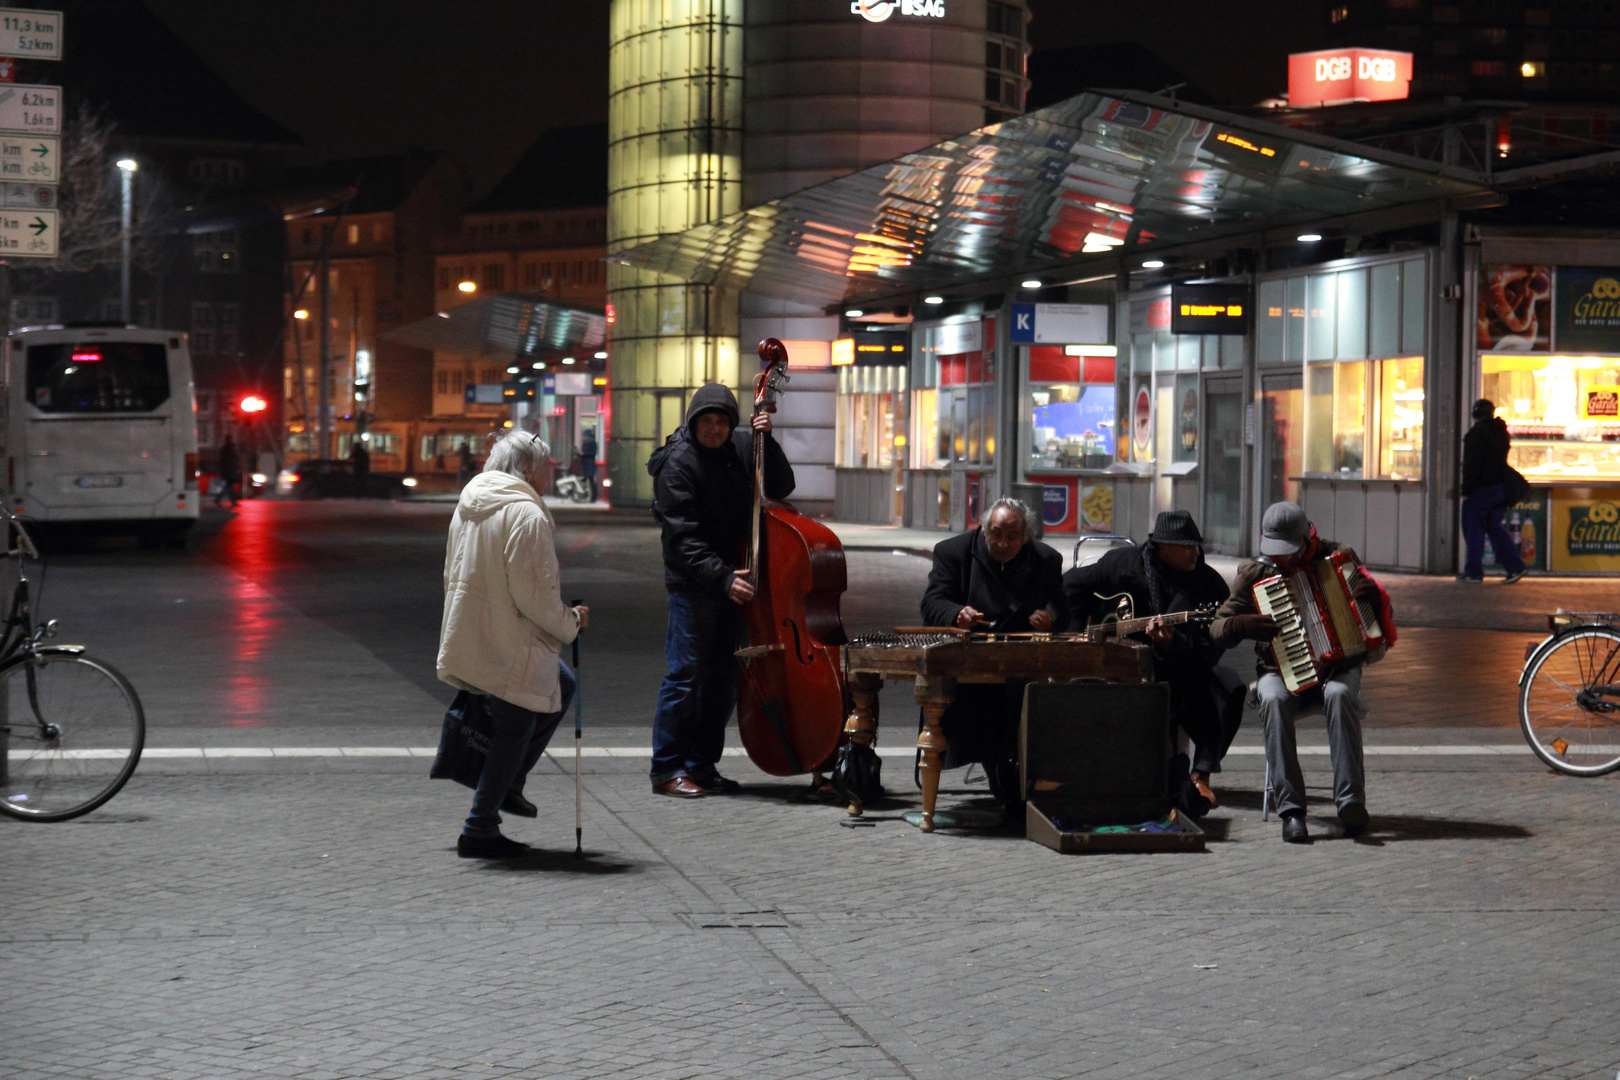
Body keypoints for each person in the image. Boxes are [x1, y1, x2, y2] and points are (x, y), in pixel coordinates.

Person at [437, 430, 589, 858]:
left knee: (559, 686)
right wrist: (572, 623)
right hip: (508, 638)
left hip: (474, 630)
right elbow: (535, 596)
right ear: (526, 469)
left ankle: (509, 786)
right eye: (545, 468)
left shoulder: (471, 504)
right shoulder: (526, 514)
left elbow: (452, 572)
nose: (549, 475)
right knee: (515, 727)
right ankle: (480, 827)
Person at [647, 382, 793, 798]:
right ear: (694, 422)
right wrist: (724, 578)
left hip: (735, 582)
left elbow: (781, 486)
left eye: (722, 421)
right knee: (684, 677)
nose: (714, 429)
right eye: (707, 421)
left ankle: (701, 764)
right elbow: (682, 540)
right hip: (696, 586)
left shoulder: (743, 445)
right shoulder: (678, 463)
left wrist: (767, 438)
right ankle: (666, 769)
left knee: (723, 679)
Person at [1211, 502, 1388, 844]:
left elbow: (1370, 631)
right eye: (1276, 553)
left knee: (1339, 695)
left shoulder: (1341, 559)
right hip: (1279, 669)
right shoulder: (1254, 575)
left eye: (1289, 553)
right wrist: (1239, 624)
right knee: (1273, 699)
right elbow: (1216, 627)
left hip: (1338, 668)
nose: (1282, 561)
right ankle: (1291, 811)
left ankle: (1351, 803)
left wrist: (1370, 609)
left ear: (1307, 539)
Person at [1062, 510, 1237, 815]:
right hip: (1119, 670)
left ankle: (1200, 775)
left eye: (1195, 545)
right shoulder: (1125, 565)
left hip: (1180, 668)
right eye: (1185, 546)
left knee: (1225, 690)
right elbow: (1072, 584)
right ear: (1162, 546)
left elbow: (1209, 650)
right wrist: (1080, 629)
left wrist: (1172, 644)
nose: (1194, 552)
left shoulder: (1209, 586)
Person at [919, 496, 1068, 805]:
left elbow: (1064, 610)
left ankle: (1017, 775)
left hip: (1022, 662)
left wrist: (1049, 622)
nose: (1003, 543)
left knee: (1025, 700)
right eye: (996, 533)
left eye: (1012, 536)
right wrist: (957, 614)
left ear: (1026, 537)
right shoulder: (952, 553)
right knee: (981, 703)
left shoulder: (1046, 560)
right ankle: (1002, 774)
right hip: (969, 662)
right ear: (984, 530)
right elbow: (932, 603)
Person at [1461, 398, 1528, 584]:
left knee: (1473, 528)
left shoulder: (1475, 434)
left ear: (1475, 414)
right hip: (1500, 487)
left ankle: (1473, 573)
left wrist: (1466, 489)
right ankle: (1515, 567)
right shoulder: (1501, 432)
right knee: (1494, 527)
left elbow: (1471, 465)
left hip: (1481, 489)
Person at [216, 437, 241, 508]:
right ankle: (219, 499)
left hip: (226, 471)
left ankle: (231, 501)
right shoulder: (230, 451)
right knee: (228, 486)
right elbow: (233, 461)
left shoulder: (224, 450)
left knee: (229, 486)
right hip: (230, 471)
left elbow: (222, 462)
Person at [580, 429, 599, 502]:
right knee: (585, 480)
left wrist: (584, 454)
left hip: (590, 464)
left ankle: (593, 497)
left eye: (585, 436)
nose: (583, 437)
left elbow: (592, 453)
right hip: (585, 464)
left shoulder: (592, 443)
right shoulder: (585, 443)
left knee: (591, 481)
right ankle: (585, 495)